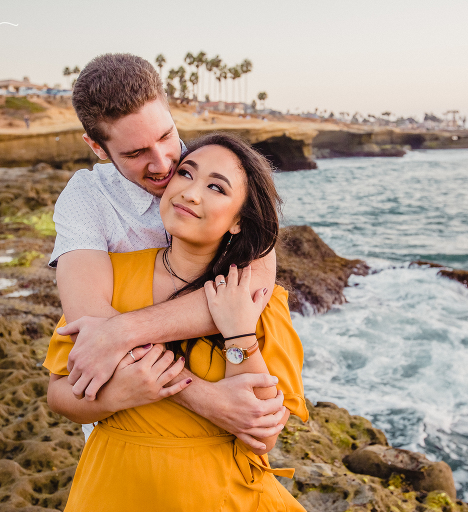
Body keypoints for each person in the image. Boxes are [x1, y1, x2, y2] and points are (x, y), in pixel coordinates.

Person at [44, 133, 307, 511]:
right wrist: (118, 396)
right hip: (110, 492)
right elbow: (58, 394)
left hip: (220, 498)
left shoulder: (254, 299)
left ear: (238, 220)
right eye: (186, 173)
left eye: (216, 187)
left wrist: (239, 333)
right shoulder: (110, 278)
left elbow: (262, 439)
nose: (191, 193)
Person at [47, 53, 286, 449]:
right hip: (122, 421)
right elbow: (89, 324)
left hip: (215, 437)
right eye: (135, 153)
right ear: (97, 147)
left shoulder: (221, 172)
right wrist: (206, 399)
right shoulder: (87, 197)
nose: (163, 164)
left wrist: (122, 331)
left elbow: (248, 291)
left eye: (165, 136)